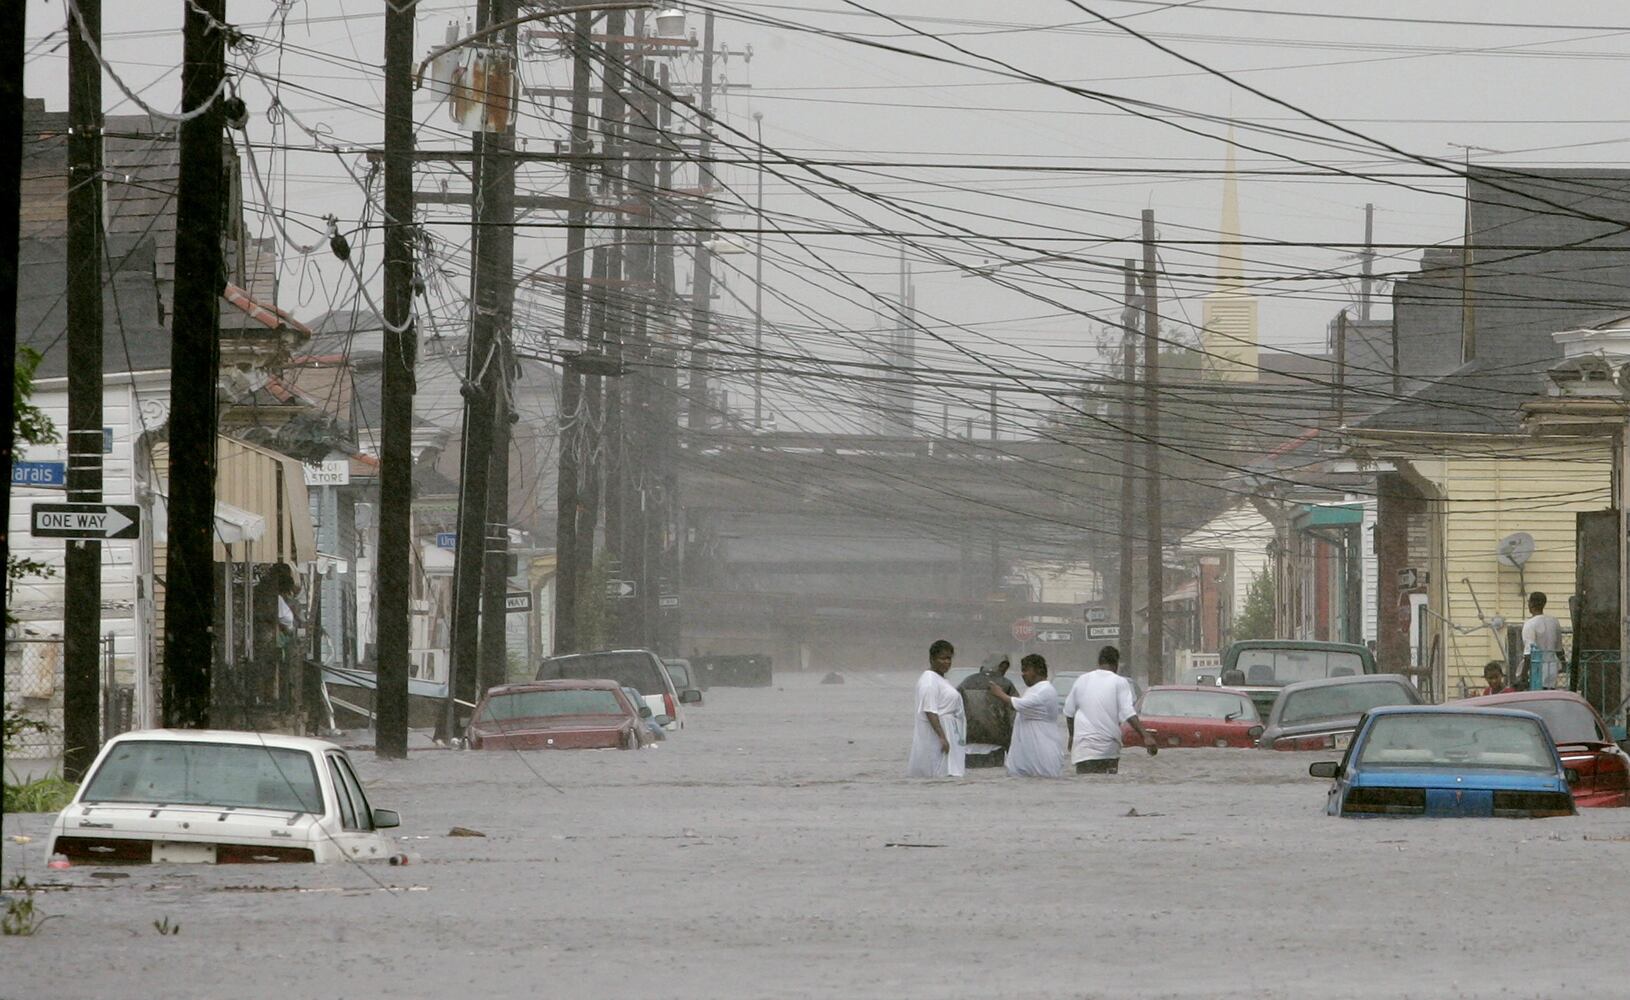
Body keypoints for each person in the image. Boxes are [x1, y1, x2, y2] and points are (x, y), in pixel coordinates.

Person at [1062, 645, 1154, 774]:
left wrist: (1072, 736)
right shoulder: (1119, 682)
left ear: (1099, 662)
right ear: (1116, 664)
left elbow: (1068, 711)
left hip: (1082, 749)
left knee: (1085, 789)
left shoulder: (1081, 680)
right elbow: (1128, 712)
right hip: (1107, 749)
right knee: (1107, 788)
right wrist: (1146, 736)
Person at [989, 654, 1063, 777]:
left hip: (1043, 758)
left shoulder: (1045, 690)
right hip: (1026, 760)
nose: (1023, 674)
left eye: (1026, 670)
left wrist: (999, 693)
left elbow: (1020, 704)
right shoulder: (1033, 690)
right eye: (1022, 670)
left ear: (1039, 670)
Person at [907, 639, 966, 778]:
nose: (947, 662)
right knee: (940, 773)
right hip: (938, 735)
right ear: (932, 659)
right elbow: (930, 711)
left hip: (950, 731)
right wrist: (942, 737)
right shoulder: (929, 681)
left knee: (951, 774)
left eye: (949, 658)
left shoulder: (940, 679)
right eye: (942, 658)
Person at [959, 654, 1016, 747]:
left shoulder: (967, 681)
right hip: (997, 740)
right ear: (1000, 666)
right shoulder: (1006, 683)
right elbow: (1014, 712)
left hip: (970, 737)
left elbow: (956, 707)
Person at [1521, 592, 1563, 689]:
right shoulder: (1554, 622)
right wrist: (1564, 665)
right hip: (1552, 667)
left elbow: (1529, 653)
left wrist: (1523, 675)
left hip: (1537, 670)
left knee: (1538, 697)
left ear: (1530, 604)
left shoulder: (1530, 624)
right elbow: (1559, 650)